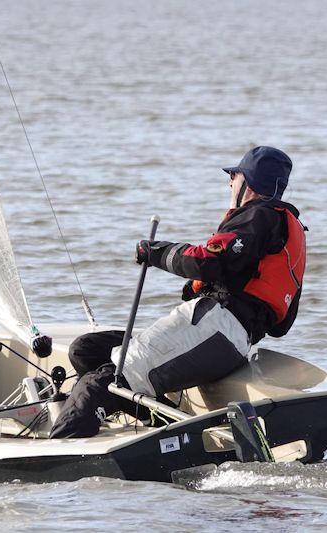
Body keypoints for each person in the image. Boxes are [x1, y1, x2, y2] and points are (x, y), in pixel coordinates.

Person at [49, 146, 306, 438]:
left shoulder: (259, 216)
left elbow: (206, 261)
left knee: (101, 383)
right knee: (86, 350)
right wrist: (208, 287)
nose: (229, 184)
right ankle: (159, 428)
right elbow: (281, 323)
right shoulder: (284, 231)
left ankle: (56, 457)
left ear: (249, 183)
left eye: (233, 176)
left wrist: (155, 252)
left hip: (216, 329)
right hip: (225, 337)